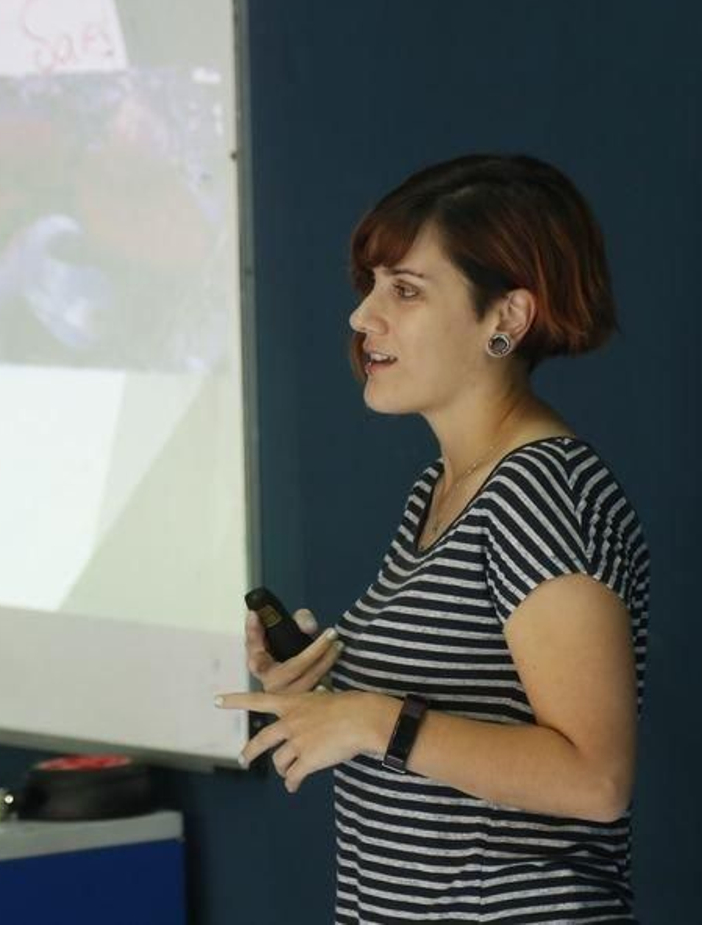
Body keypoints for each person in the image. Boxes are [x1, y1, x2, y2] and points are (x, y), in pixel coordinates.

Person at [218, 154, 649, 922]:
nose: (363, 317)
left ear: (506, 319)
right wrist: (322, 696)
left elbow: (594, 780)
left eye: (407, 290)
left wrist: (372, 720)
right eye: (372, 285)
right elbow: (451, 719)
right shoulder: (443, 487)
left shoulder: (540, 494)